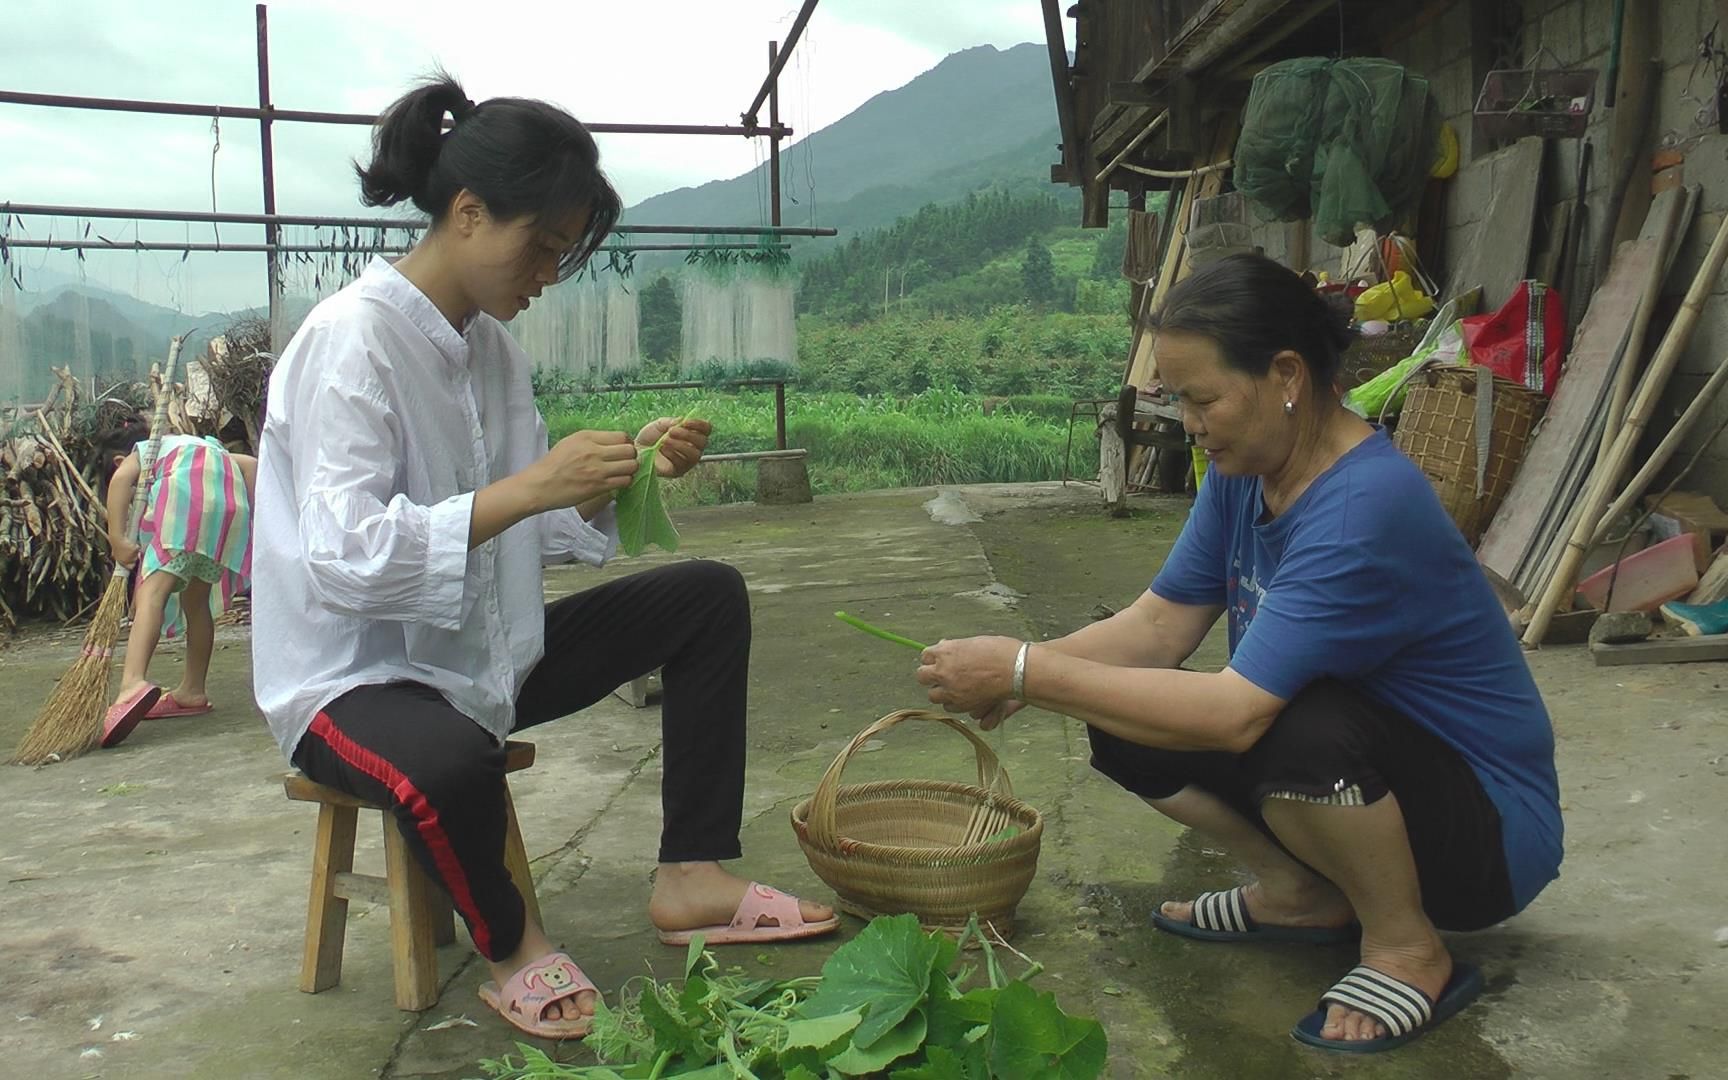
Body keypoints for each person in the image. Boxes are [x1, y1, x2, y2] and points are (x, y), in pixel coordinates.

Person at [250, 73, 836, 1041]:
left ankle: (692, 871)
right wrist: (529, 488)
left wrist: (616, 472)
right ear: (468, 213)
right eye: (544, 246)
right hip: (353, 681)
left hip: (475, 655)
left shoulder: (491, 349)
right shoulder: (349, 344)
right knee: (451, 758)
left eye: (564, 252)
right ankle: (515, 943)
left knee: (709, 600)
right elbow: (342, 555)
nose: (550, 273)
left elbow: (529, 521)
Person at [913, 253, 1562, 1053]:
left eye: (1202, 397)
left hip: (1485, 836)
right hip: (1367, 783)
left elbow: (1235, 713)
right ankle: (1300, 894)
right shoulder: (1246, 466)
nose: (1188, 420)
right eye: (1179, 399)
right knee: (1117, 700)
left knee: (1289, 722)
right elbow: (1158, 626)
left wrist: (1022, 666)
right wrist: (1031, 676)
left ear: (1286, 375)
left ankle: (1405, 944)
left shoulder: (1366, 505)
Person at [99, 417, 256, 748]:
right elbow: (250, 465)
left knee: (151, 594)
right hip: (227, 511)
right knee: (195, 603)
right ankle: (192, 691)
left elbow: (119, 482)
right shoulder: (203, 444)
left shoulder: (146, 451)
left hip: (186, 502)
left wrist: (116, 538)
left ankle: (131, 682)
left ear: (117, 459)